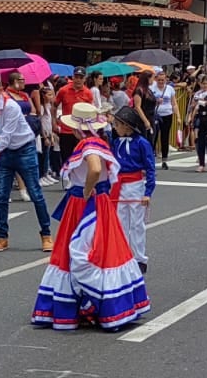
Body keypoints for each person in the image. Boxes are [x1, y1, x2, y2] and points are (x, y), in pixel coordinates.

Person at [32, 103, 149, 331]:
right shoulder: (100, 143)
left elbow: (94, 170)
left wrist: (86, 191)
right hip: (100, 202)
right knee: (105, 250)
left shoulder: (89, 144)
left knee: (79, 251)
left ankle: (84, 303)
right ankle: (110, 304)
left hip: (85, 204)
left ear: (77, 128)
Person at [0, 78, 54, 253]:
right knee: (1, 196)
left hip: (25, 149)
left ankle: (46, 235)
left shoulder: (11, 107)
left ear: (0, 90)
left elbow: (4, 139)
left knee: (35, 194)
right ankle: (2, 237)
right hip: (7, 153)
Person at [110, 105, 155, 271]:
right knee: (120, 223)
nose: (115, 127)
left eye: (117, 124)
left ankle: (139, 258)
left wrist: (148, 192)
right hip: (118, 186)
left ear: (127, 126)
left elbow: (150, 167)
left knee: (137, 224)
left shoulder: (142, 143)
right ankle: (122, 255)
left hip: (136, 186)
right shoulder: (115, 142)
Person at [54, 67, 95, 169]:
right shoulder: (63, 90)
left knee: (80, 156)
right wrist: (53, 123)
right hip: (66, 129)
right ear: (73, 77)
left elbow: (91, 111)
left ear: (84, 79)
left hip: (82, 131)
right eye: (76, 77)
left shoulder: (88, 93)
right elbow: (54, 106)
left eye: (81, 77)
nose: (78, 80)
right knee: (66, 157)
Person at [149, 71, 176, 170]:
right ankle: (152, 159)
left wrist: (178, 116)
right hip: (156, 115)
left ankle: (165, 160)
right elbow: (148, 102)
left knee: (165, 137)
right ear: (156, 79)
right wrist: (156, 101)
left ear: (166, 80)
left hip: (167, 114)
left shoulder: (170, 89)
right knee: (153, 137)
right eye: (159, 80)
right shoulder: (152, 89)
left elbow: (174, 103)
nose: (161, 82)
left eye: (163, 80)